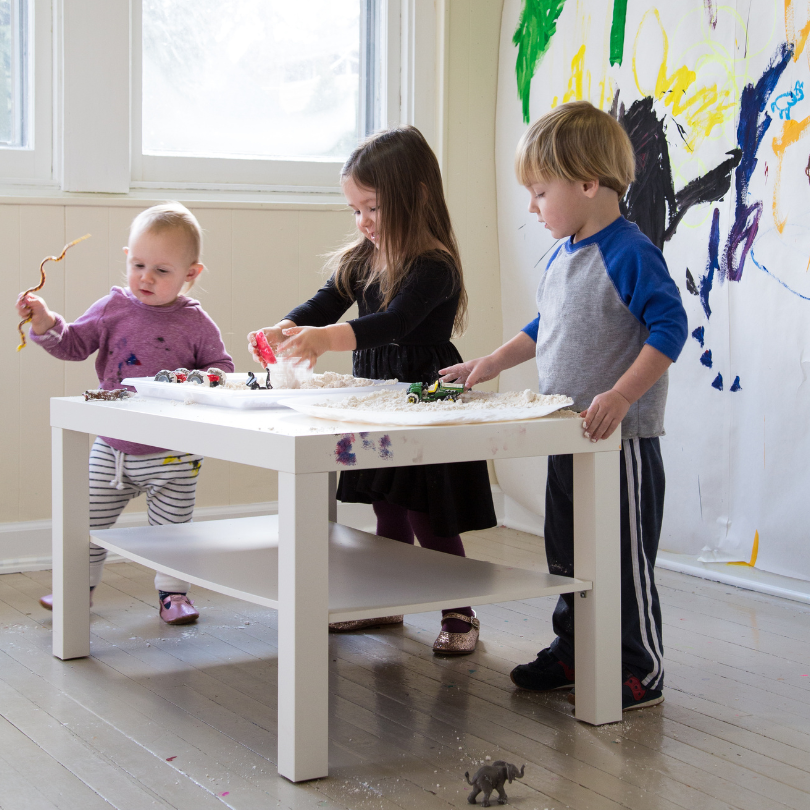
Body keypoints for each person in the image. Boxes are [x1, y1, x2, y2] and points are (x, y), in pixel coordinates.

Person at [441, 101, 688, 708]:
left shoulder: (629, 251)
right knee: (569, 555)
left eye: (540, 191)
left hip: (619, 445)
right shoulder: (564, 253)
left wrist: (623, 395)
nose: (532, 206)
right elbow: (543, 325)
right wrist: (491, 364)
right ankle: (576, 649)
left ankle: (640, 666)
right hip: (566, 439)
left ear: (587, 183)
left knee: (623, 561)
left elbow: (670, 328)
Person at [247, 126, 496, 654]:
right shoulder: (362, 257)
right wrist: (284, 329)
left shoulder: (434, 265)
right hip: (375, 393)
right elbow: (321, 305)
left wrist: (325, 341)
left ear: (418, 196)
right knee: (388, 504)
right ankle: (386, 599)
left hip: (421, 393)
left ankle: (459, 607)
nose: (363, 222)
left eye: (374, 208)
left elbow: (395, 323)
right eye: (355, 210)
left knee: (428, 511)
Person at [16, 202, 234, 625]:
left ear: (191, 274)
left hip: (173, 454)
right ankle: (77, 587)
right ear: (126, 259)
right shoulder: (113, 307)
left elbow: (222, 369)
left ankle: (173, 595)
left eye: (162, 270)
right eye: (138, 265)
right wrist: (44, 322)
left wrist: (193, 381)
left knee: (173, 534)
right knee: (85, 522)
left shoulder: (196, 322)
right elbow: (74, 344)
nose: (145, 278)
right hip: (112, 446)